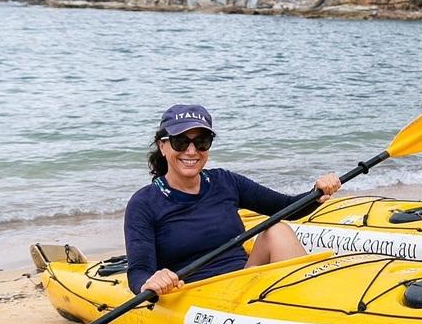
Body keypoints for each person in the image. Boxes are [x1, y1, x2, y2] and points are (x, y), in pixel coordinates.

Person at [124, 104, 341, 295]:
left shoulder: (225, 181)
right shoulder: (144, 203)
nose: (191, 151)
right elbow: (138, 271)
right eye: (180, 142)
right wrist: (150, 282)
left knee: (277, 230)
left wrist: (317, 191)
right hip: (193, 297)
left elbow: (286, 207)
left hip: (244, 284)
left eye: (202, 141)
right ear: (162, 146)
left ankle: (312, 297)